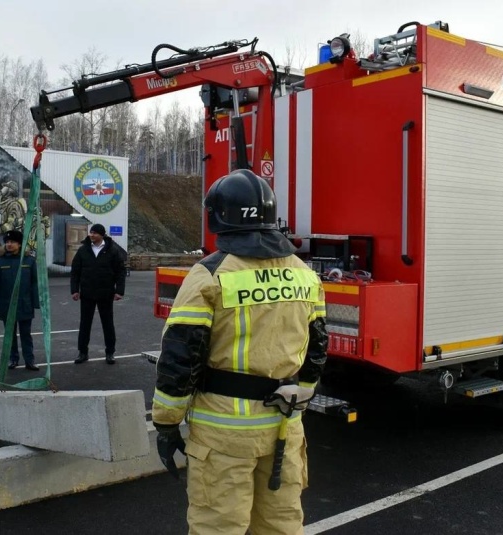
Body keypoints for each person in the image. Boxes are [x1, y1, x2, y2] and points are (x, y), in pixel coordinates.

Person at [151, 169, 328, 535]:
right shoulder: (303, 273)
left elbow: (181, 358)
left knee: (218, 527)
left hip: (223, 433)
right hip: (285, 425)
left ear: (219, 218)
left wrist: (167, 423)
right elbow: (317, 346)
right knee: (280, 525)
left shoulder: (209, 275)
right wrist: (304, 394)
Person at [70, 223, 126, 365]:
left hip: (105, 293)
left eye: (94, 233)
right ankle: (82, 352)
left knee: (107, 324)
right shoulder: (83, 251)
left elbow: (120, 272)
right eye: (91, 232)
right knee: (85, 324)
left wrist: (119, 291)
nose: (91, 235)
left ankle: (110, 352)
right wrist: (75, 290)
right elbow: (75, 272)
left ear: (101, 235)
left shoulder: (112, 251)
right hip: (87, 293)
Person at [0, 230, 40, 370]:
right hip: (7, 304)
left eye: (13, 242)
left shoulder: (29, 261)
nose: (9, 245)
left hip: (25, 304)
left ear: (20, 244)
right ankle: (13, 359)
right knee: (9, 334)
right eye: (7, 242)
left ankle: (30, 360)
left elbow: (35, 282)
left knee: (26, 334)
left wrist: (36, 302)